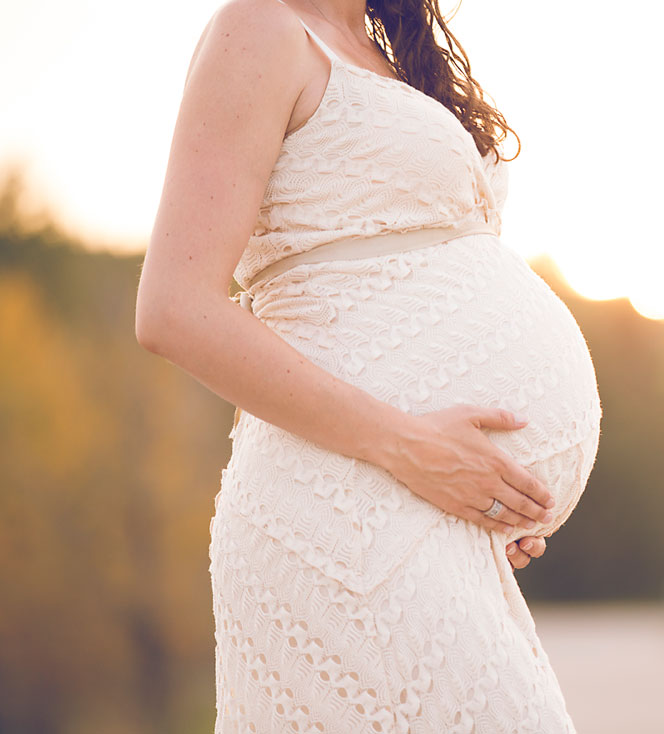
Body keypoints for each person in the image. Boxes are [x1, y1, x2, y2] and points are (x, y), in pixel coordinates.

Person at [134, 0, 603, 731]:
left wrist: (495, 499)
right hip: (346, 515)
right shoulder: (260, 27)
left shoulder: (381, 51)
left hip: (408, 513)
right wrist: (409, 446)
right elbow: (173, 309)